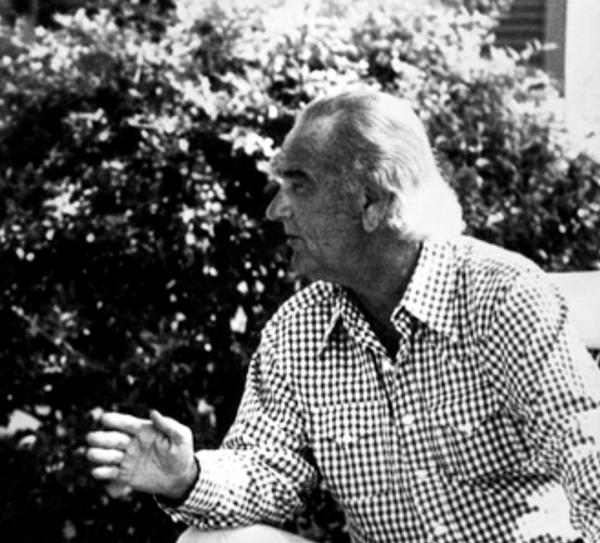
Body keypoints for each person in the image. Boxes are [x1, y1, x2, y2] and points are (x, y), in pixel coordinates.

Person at [86, 89, 600, 543]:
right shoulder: (298, 329)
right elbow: (266, 472)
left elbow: (587, 455)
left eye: (299, 185)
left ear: (373, 201)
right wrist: (186, 477)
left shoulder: (502, 295)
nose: (275, 210)